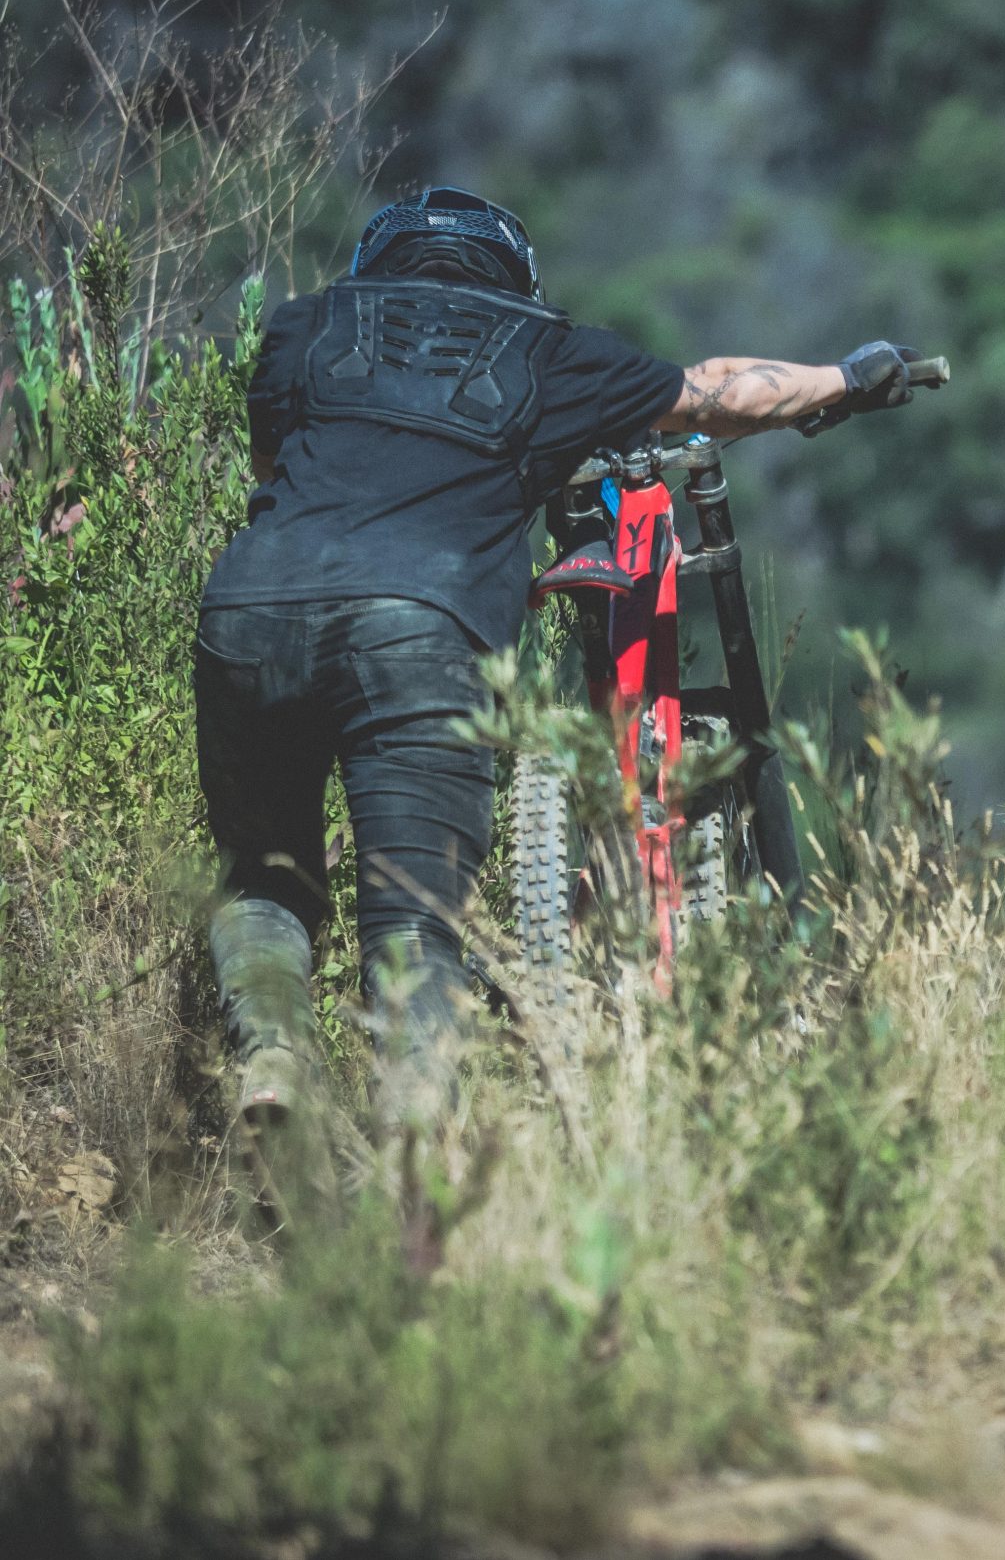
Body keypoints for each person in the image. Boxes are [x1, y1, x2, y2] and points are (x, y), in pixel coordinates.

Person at [198, 186, 924, 1144]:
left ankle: (273, 1059)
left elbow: (273, 464)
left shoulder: (307, 324)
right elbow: (722, 393)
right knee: (414, 922)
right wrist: (850, 377)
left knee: (263, 880)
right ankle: (413, 1147)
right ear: (512, 276)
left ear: (384, 263)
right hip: (422, 627)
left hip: (251, 610)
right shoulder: (548, 348)